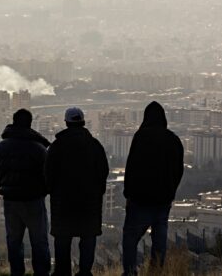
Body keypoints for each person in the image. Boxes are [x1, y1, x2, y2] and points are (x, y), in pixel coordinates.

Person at [122, 101, 184, 276]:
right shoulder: (173, 140)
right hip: (162, 201)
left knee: (130, 238)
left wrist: (128, 195)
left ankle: (129, 272)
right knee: (159, 240)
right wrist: (171, 192)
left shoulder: (141, 137)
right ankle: (156, 272)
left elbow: (131, 167)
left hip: (140, 200)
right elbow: (178, 170)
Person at [45, 107, 109, 276]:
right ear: (83, 122)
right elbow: (103, 172)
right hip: (89, 204)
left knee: (62, 239)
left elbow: (48, 174)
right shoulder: (95, 146)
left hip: (63, 204)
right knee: (88, 238)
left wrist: (53, 192)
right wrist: (97, 193)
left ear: (66, 123)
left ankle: (62, 272)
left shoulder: (57, 146)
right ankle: (85, 271)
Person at [0, 109, 51, 276]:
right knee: (39, 241)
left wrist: (6, 186)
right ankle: (41, 273)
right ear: (30, 124)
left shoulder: (1, 147)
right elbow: (49, 176)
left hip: (11, 201)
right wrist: (43, 191)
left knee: (14, 241)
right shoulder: (39, 148)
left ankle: (16, 273)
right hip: (34, 200)